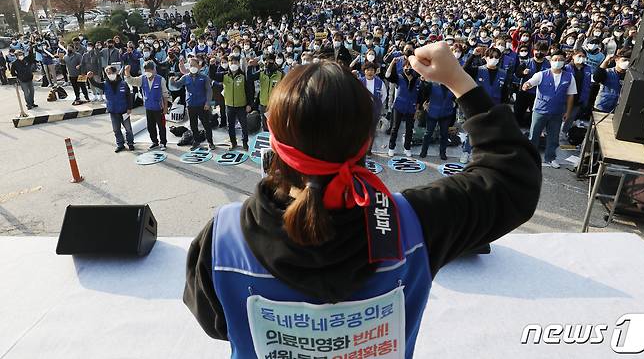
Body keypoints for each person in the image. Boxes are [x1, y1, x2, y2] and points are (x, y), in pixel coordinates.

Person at [183, 42, 541, 358]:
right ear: (367, 141)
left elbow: (218, 326)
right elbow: (512, 180)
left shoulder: (222, 240)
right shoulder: (417, 225)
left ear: (273, 139)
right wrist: (459, 81)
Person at [522, 50, 577, 168]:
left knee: (553, 137)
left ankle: (550, 158)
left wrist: (568, 112)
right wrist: (526, 85)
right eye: (555, 60)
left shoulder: (569, 77)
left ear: (565, 61)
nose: (558, 62)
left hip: (557, 112)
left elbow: (571, 95)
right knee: (534, 135)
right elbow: (530, 82)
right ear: (550, 61)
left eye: (560, 60)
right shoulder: (541, 74)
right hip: (540, 110)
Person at [171, 58, 216, 150]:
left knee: (206, 124)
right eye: (191, 65)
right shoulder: (185, 77)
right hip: (191, 105)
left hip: (202, 105)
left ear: (199, 66)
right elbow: (177, 85)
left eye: (194, 65)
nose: (192, 67)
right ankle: (196, 141)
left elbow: (209, 91)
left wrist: (208, 103)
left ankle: (210, 142)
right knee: (193, 125)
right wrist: (172, 81)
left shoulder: (204, 77)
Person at [87, 65, 134, 152]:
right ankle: (120, 144)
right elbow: (95, 84)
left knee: (128, 129)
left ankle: (130, 143)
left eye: (111, 72)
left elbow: (129, 96)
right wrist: (90, 78)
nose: (110, 74)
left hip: (124, 110)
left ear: (115, 72)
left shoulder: (123, 84)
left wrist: (129, 107)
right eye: (108, 73)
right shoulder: (105, 84)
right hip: (113, 111)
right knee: (116, 130)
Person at [125, 61, 169, 150]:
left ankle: (163, 142)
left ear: (154, 70)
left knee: (161, 126)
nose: (147, 72)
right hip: (148, 107)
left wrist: (165, 107)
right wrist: (127, 72)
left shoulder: (160, 79)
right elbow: (131, 81)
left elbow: (165, 94)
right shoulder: (142, 78)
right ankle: (154, 142)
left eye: (149, 70)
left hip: (158, 107)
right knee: (150, 126)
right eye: (145, 70)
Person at [212, 55, 253, 150]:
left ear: (239, 64)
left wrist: (249, 104)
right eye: (231, 63)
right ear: (228, 64)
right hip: (229, 106)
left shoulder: (243, 76)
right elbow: (213, 75)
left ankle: (245, 143)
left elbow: (249, 91)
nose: (233, 65)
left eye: (235, 63)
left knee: (244, 126)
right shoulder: (224, 75)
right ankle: (233, 142)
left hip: (242, 106)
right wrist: (212, 65)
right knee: (230, 126)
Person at [385, 54, 421, 157]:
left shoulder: (417, 80)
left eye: (410, 66)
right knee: (395, 128)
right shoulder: (399, 77)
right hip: (398, 106)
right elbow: (387, 76)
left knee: (409, 129)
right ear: (403, 67)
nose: (408, 68)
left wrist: (417, 110)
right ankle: (391, 147)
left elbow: (420, 97)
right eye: (406, 66)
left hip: (411, 108)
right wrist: (392, 63)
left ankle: (407, 148)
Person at [419, 79, 455, 159]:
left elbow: (455, 97)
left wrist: (454, 105)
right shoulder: (432, 84)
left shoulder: (453, 85)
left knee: (444, 134)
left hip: (446, 114)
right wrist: (422, 82)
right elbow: (424, 93)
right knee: (428, 133)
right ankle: (423, 151)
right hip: (433, 113)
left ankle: (443, 153)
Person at [249, 53, 284, 132]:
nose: (268, 62)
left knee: (274, 125)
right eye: (266, 60)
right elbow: (250, 78)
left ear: (274, 61)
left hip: (274, 104)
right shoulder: (261, 73)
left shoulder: (280, 74)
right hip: (263, 104)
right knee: (265, 125)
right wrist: (250, 66)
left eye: (270, 60)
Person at [561, 49, 592, 137]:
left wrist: (585, 99)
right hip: (565, 98)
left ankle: (564, 133)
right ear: (573, 56)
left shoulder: (587, 68)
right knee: (560, 116)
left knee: (570, 117)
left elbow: (588, 85)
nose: (581, 58)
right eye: (579, 56)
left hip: (579, 98)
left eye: (583, 56)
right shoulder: (566, 68)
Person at [360, 62, 386, 155]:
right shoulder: (360, 81)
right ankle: (360, 150)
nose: (370, 72)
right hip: (362, 110)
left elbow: (384, 95)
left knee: (372, 131)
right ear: (364, 71)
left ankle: (369, 150)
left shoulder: (380, 82)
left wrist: (377, 105)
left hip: (374, 110)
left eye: (372, 70)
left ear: (375, 71)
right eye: (367, 70)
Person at [592, 49, 629, 113]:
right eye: (624, 60)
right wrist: (606, 60)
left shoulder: (628, 76)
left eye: (629, 61)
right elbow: (597, 78)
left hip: (617, 110)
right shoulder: (607, 72)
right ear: (616, 60)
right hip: (602, 106)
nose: (627, 63)